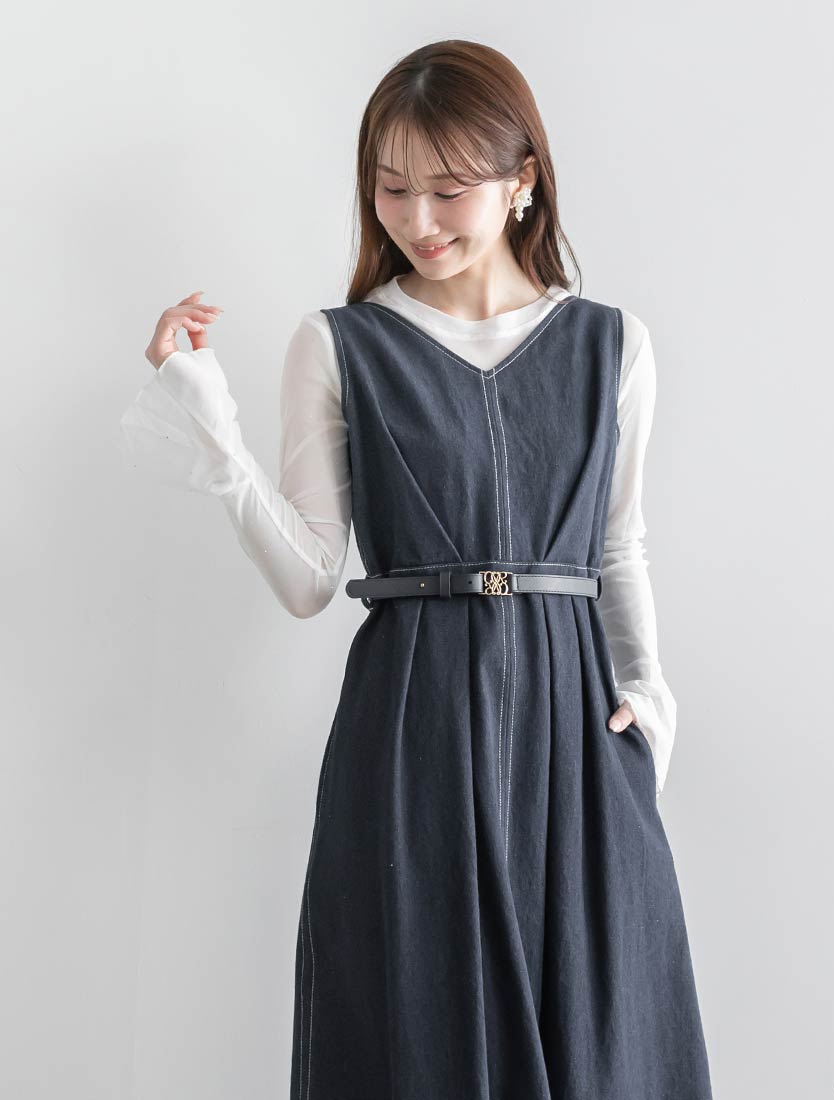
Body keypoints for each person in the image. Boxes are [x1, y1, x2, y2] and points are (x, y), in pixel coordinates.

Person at [121, 38, 713, 1100]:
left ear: (522, 180)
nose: (417, 220)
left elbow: (616, 545)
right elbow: (309, 578)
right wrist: (212, 429)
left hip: (576, 733)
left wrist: (648, 694)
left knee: (605, 1040)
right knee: (419, 1037)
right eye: (391, 188)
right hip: (410, 733)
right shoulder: (338, 343)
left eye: (448, 189)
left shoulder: (611, 344)